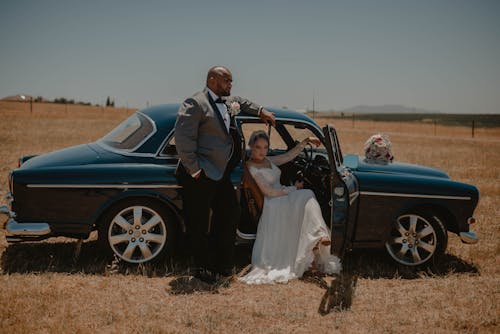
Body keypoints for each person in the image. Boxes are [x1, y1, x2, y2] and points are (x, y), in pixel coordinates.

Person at [175, 66, 275, 284]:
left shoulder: (229, 102)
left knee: (229, 214)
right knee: (199, 223)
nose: (230, 85)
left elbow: (243, 102)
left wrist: (261, 112)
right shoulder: (195, 103)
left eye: (231, 81)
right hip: (200, 174)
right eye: (226, 81)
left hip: (220, 174)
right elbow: (183, 139)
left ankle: (224, 266)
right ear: (212, 80)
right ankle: (201, 268)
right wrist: (195, 170)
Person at [240, 130, 342, 284]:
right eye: (258, 147)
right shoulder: (251, 166)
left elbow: (288, 156)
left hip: (281, 194)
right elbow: (268, 191)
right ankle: (319, 234)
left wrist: (305, 141)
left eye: (265, 147)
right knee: (306, 194)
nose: (261, 151)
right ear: (251, 147)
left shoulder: (268, 160)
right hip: (272, 203)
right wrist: (292, 189)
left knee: (307, 195)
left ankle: (319, 235)